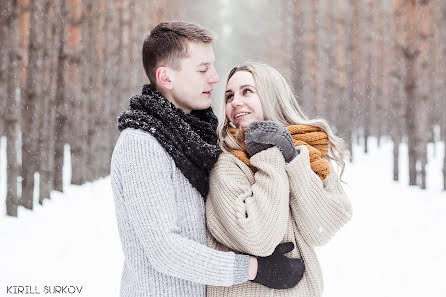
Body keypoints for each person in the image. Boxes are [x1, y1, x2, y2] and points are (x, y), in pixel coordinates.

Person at [110, 22, 303, 297]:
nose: (214, 77)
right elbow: (165, 250)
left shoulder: (197, 139)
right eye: (202, 69)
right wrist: (254, 269)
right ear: (166, 77)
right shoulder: (142, 145)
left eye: (212, 67)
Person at [206, 62, 353, 297]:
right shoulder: (227, 164)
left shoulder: (306, 154)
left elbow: (322, 228)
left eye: (247, 91)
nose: (235, 102)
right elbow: (258, 237)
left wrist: (293, 160)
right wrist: (268, 157)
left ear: (271, 95)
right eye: (229, 96)